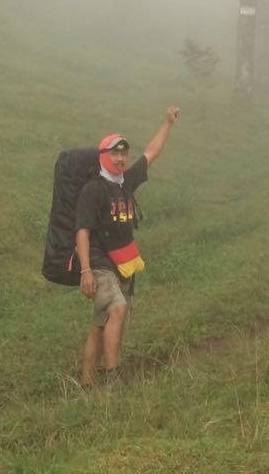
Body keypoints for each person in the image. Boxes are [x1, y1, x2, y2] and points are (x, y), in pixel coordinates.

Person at [75, 106, 180, 388]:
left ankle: (86, 383)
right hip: (99, 261)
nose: (121, 158)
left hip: (123, 262)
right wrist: (85, 270)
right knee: (118, 310)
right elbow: (82, 231)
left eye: (123, 154)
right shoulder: (93, 189)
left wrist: (167, 123)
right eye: (115, 153)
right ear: (103, 157)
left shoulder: (125, 183)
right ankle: (113, 377)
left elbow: (151, 152)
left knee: (102, 325)